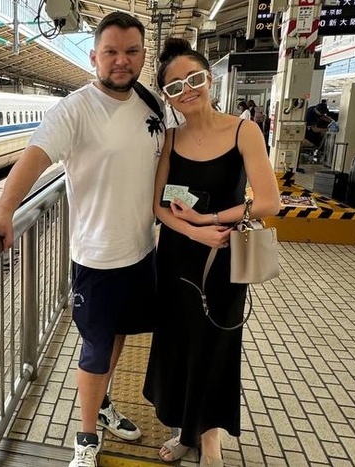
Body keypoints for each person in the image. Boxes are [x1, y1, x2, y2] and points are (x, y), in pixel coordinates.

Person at [0, 11, 165, 467]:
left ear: (143, 56)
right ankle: (87, 439)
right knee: (95, 348)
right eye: (111, 52)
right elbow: (34, 158)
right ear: (94, 57)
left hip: (141, 251)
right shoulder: (74, 109)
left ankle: (103, 402)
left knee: (119, 335)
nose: (121, 60)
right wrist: (4, 212)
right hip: (96, 257)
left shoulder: (150, 104)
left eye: (131, 51)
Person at [142, 37, 279, 467]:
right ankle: (185, 432)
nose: (187, 90)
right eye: (175, 87)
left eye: (194, 79)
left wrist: (207, 219)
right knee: (179, 344)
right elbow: (158, 207)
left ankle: (211, 438)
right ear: (167, 97)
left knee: (215, 346)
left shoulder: (243, 130)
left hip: (223, 260)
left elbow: (270, 202)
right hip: (177, 259)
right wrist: (193, 230)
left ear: (210, 79)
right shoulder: (169, 138)